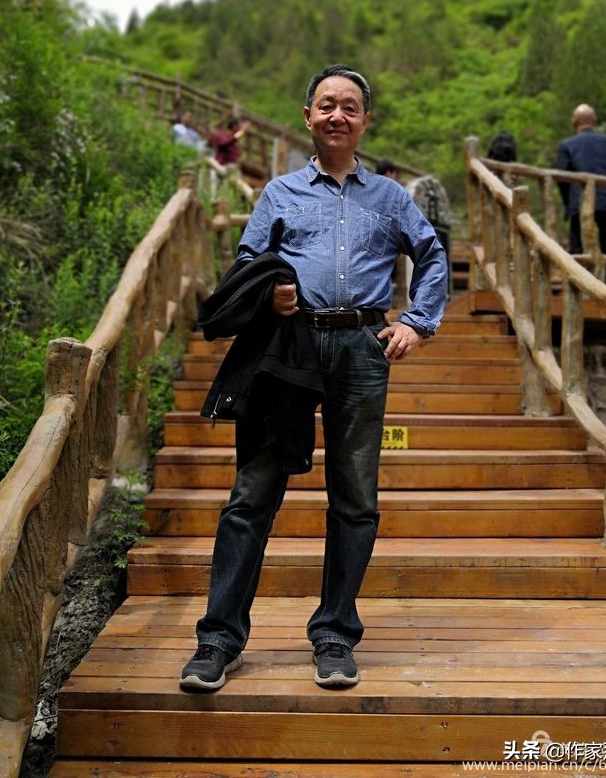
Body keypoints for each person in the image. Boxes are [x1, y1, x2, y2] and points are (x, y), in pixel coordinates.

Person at [180, 64, 448, 692]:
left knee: (355, 498)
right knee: (253, 494)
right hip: (288, 349)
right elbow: (248, 261)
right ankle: (218, 641)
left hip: (362, 347)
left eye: (349, 107)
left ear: (363, 122)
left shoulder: (390, 197)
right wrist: (268, 292)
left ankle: (334, 634)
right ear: (308, 116)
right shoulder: (278, 193)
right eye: (326, 104)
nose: (337, 115)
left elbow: (433, 254)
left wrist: (417, 321)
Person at [555, 103, 606, 285]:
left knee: (578, 248)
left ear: (574, 123)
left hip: (578, 202)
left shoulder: (567, 145)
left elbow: (562, 179)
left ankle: (578, 287)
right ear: (594, 121)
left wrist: (568, 204)